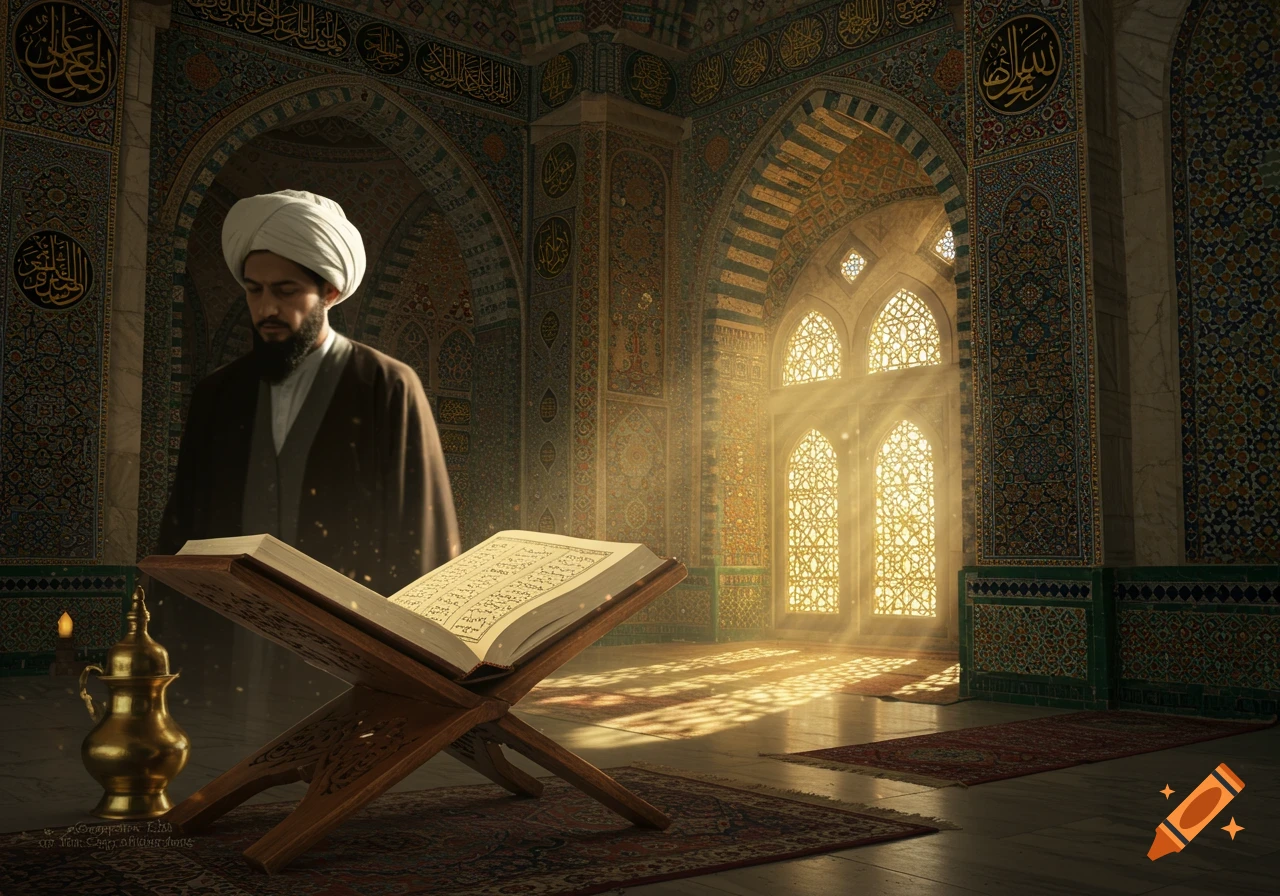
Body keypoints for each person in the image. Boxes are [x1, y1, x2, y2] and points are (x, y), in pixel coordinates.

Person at [156, 189, 459, 601]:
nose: (266, 309)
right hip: (230, 642)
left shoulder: (386, 387)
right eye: (255, 290)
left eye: (285, 291)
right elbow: (182, 535)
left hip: (348, 644)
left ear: (329, 292)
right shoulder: (217, 395)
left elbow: (422, 543)